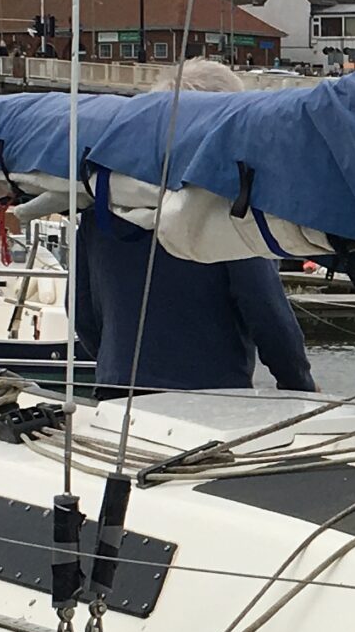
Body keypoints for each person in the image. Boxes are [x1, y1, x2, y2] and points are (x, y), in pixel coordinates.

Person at [71, 59, 317, 396]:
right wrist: (298, 384)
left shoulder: (100, 203)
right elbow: (266, 311)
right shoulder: (225, 208)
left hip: (116, 387)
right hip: (207, 397)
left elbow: (81, 309)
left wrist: (112, 364)